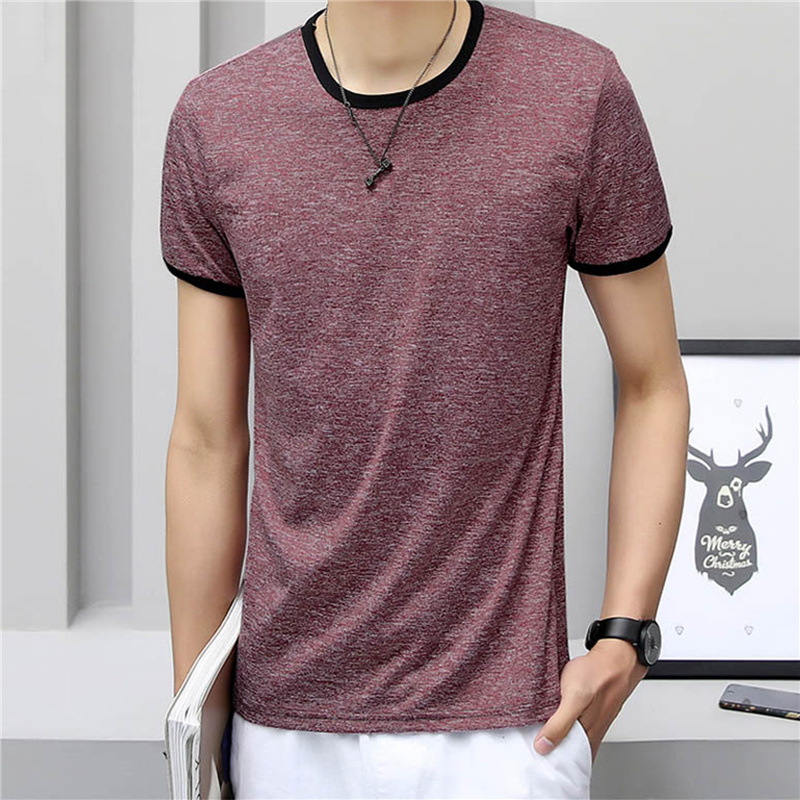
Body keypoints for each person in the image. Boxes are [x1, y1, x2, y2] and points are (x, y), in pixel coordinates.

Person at [161, 1, 688, 798]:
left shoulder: (576, 93)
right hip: (287, 732)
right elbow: (206, 439)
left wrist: (625, 637)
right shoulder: (219, 119)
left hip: (511, 736)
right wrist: (196, 725)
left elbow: (654, 383)